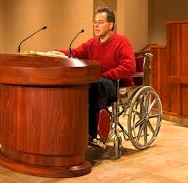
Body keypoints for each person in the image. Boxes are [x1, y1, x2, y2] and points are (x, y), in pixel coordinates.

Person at [52, 7, 135, 142]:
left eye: (100, 22)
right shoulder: (92, 43)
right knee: (80, 87)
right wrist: (58, 53)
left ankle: (90, 134)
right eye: (94, 22)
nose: (96, 25)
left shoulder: (122, 42)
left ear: (111, 25)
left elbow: (129, 67)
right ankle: (76, 131)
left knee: (93, 86)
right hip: (97, 82)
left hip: (116, 85)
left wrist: (104, 75)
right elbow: (75, 53)